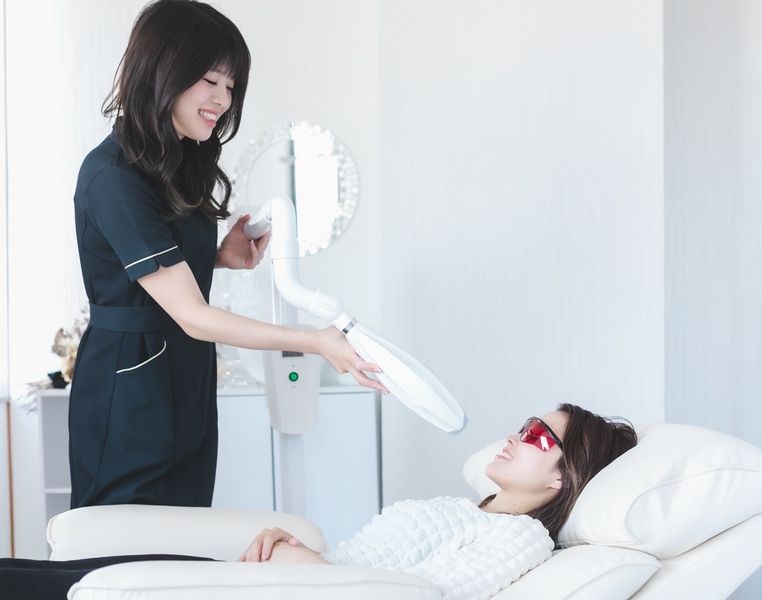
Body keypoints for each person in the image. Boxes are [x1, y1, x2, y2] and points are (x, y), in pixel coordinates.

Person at [68, 0, 386, 511]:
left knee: (188, 534)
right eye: (210, 80)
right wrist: (313, 341)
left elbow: (152, 267)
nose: (222, 99)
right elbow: (192, 314)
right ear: (162, 71)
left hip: (186, 374)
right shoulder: (113, 176)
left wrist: (219, 256)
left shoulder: (176, 163)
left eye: (231, 86)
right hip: (129, 384)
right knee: (128, 541)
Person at [0, 404, 637, 600]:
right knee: (41, 574)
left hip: (289, 588)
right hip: (273, 578)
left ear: (564, 479)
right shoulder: (465, 509)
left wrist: (305, 566)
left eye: (538, 437)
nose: (515, 436)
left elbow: (424, 596)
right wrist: (292, 551)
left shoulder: (520, 538)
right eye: (524, 423)